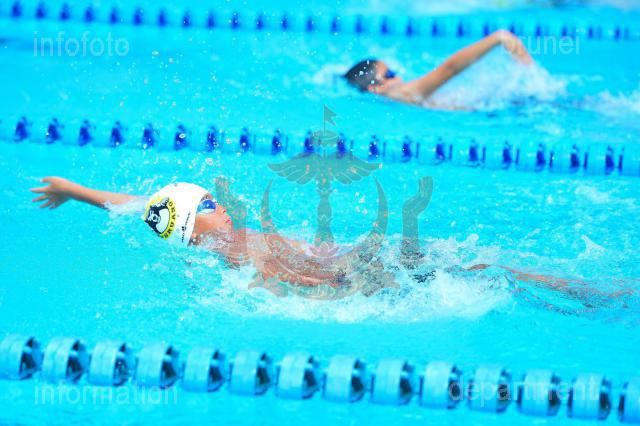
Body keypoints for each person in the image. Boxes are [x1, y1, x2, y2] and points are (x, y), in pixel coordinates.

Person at [30, 176, 631, 304]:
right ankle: (602, 294)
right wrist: (360, 277)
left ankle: (590, 292)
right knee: (487, 271)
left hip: (363, 262)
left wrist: (70, 190)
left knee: (482, 267)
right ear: (194, 227)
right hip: (367, 274)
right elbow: (301, 280)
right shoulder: (241, 249)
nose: (220, 204)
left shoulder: (208, 240)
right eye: (208, 205)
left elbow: (134, 206)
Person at [343, 30, 533, 106]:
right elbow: (450, 69)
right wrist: (498, 38)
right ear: (375, 88)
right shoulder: (405, 93)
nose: (397, 75)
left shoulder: (398, 99)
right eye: (390, 74)